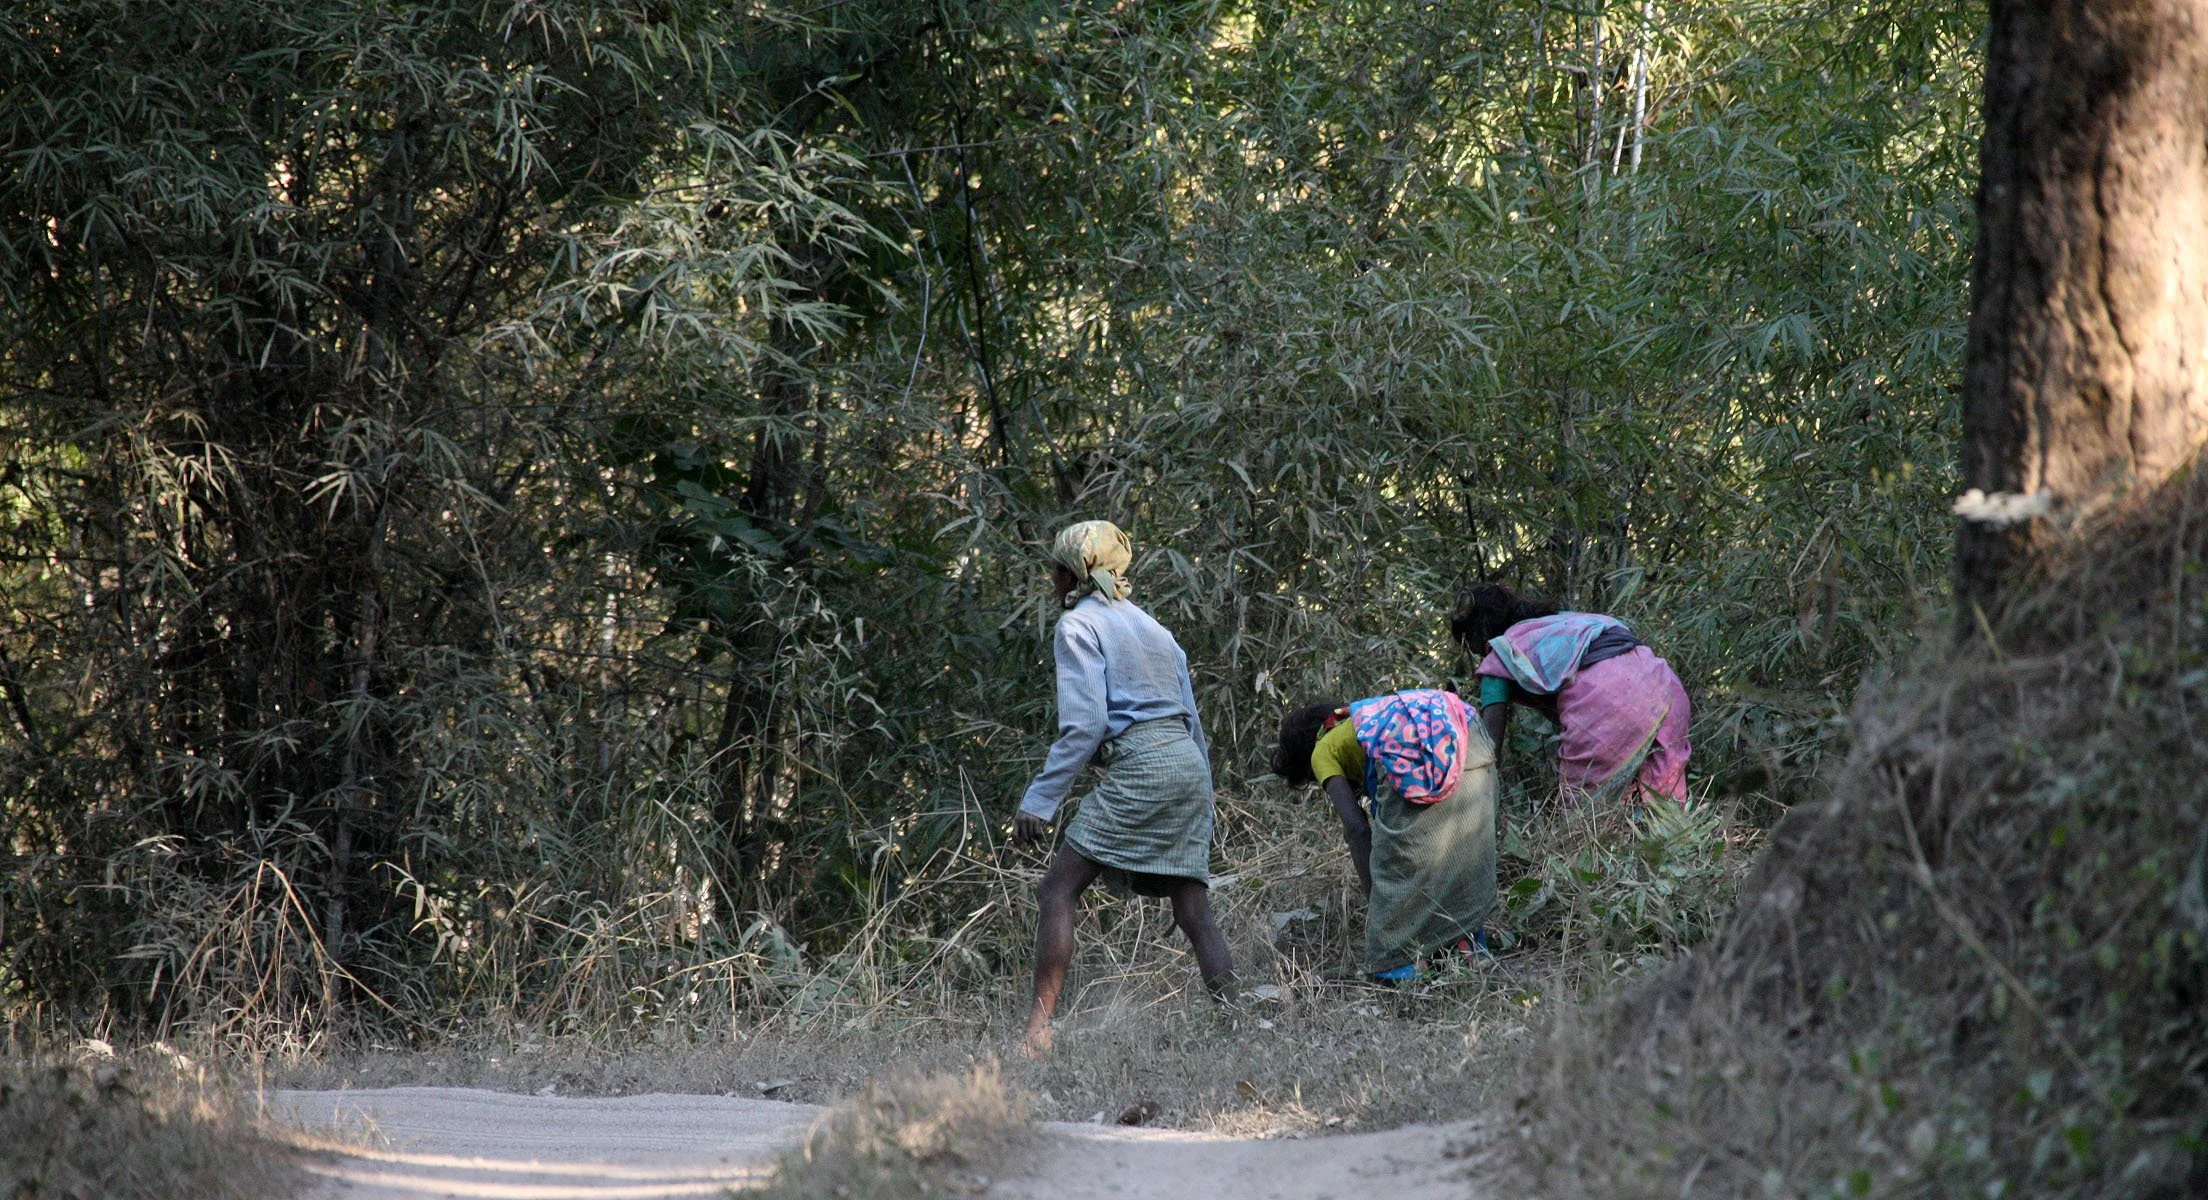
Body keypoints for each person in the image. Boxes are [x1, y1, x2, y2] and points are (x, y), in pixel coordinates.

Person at [1013, 520, 1233, 1056]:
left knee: (1057, 890)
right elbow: (1193, 720)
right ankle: (1238, 1017)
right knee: (1192, 906)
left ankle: (1037, 1035)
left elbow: (1085, 726)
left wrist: (1039, 801)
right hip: (1187, 764)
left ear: (1070, 573)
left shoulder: (1077, 627)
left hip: (1144, 764)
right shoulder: (1155, 629)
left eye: (1054, 569)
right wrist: (1201, 791)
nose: (1051, 578)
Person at [1270, 688, 1497, 981]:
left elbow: (1357, 828)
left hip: (1427, 749)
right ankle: (1470, 950)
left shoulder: (1322, 750)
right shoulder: (1363, 717)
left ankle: (1401, 971)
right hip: (1470, 736)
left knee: (1401, 869)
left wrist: (1378, 902)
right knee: (1459, 856)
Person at [1449, 583, 1691, 806]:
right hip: (1665, 685)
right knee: (1662, 812)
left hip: (1608, 700)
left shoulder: (1502, 653)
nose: (1473, 652)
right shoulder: (1565, 623)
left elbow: (1490, 751)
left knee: (1586, 818)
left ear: (1478, 632)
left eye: (1467, 642)